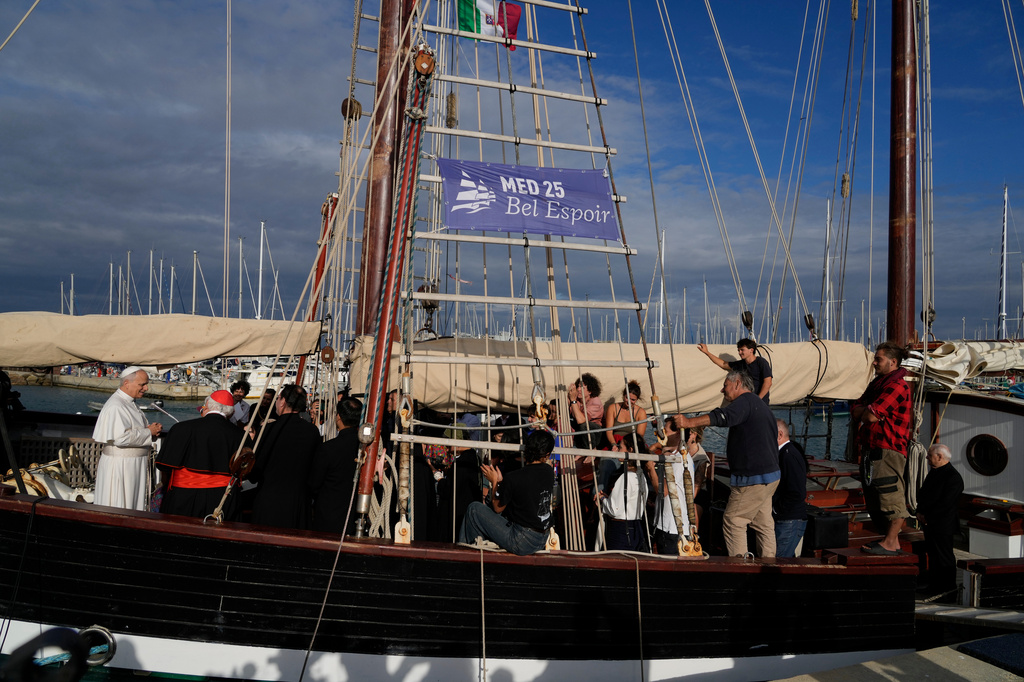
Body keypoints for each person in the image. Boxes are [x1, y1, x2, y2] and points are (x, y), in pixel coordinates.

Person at [676, 370, 780, 557]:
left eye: (725, 385)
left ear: (737, 384)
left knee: (734, 520)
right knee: (763, 523)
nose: (722, 389)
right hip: (770, 477)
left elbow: (721, 417)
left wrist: (688, 422)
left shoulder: (744, 402)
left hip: (752, 479)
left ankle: (740, 571)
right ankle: (768, 566)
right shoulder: (760, 405)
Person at [852, 342, 913, 555]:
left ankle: (890, 542)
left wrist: (865, 412)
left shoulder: (897, 386)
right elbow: (856, 407)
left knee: (891, 496)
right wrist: (864, 411)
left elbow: (869, 414)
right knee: (875, 497)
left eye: (878, 359)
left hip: (888, 449)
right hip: (873, 448)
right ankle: (891, 542)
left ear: (893, 362)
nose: (874, 362)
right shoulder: (879, 383)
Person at [458, 429, 555, 555]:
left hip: (522, 540)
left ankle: (467, 555)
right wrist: (503, 484)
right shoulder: (549, 472)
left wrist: (495, 482)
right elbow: (526, 491)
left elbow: (498, 507)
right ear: (546, 455)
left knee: (474, 509)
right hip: (542, 538)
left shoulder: (514, 477)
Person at [157, 390, 245, 520]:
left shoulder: (181, 428)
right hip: (224, 498)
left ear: (207, 405)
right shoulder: (240, 435)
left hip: (184, 497)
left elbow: (165, 465)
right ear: (231, 412)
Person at [247, 384, 321, 529]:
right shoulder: (312, 431)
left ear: (283, 401)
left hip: (268, 501)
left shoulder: (267, 430)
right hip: (299, 503)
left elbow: (255, 470)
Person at [91, 366, 163, 510]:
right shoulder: (116, 406)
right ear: (126, 384)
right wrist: (148, 432)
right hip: (121, 465)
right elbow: (120, 438)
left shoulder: (128, 402)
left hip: (131, 463)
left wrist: (150, 431)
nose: (146, 388)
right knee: (120, 504)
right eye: (142, 384)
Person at [307, 397, 364, 534]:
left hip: (329, 516)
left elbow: (314, 484)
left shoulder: (328, 448)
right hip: (356, 515)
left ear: (338, 417)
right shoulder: (365, 448)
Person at [916, 444, 964, 597]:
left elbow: (946, 503)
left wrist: (928, 517)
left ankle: (949, 588)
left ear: (940, 457)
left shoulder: (953, 477)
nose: (927, 458)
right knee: (933, 555)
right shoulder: (935, 473)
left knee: (944, 557)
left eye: (930, 455)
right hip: (929, 522)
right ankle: (934, 585)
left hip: (943, 524)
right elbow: (924, 493)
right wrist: (920, 512)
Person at [601, 439, 650, 552]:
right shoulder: (641, 475)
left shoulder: (625, 478)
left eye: (620, 447)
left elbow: (614, 510)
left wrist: (602, 498)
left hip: (621, 531)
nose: (617, 449)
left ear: (630, 450)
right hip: (636, 528)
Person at [698, 339, 773, 404]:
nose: (739, 353)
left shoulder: (761, 362)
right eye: (738, 350)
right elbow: (723, 364)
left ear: (751, 350)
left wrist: (758, 399)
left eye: (742, 350)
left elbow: (768, 383)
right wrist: (707, 352)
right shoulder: (740, 364)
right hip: (747, 402)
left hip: (760, 403)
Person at [773, 419, 808, 558]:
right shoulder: (787, 453)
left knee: (779, 560)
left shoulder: (788, 456)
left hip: (789, 520)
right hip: (787, 518)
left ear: (780, 435)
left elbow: (797, 492)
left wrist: (776, 509)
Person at [567, 373, 603, 449]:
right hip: (579, 433)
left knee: (584, 425)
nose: (578, 389)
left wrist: (573, 401)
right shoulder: (578, 400)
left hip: (594, 433)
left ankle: (590, 449)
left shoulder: (595, 402)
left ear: (590, 391)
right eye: (578, 386)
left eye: (582, 388)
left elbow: (581, 420)